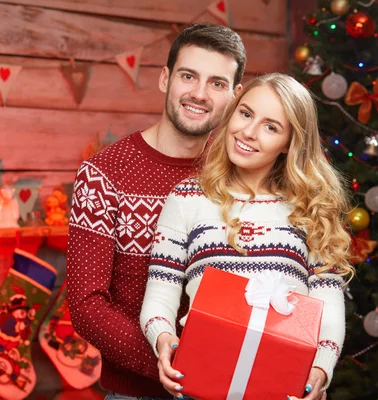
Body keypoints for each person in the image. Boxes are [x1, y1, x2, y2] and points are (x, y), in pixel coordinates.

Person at [140, 73, 355, 400]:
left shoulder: (311, 210)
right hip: (201, 385)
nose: (249, 133)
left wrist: (320, 372)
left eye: (271, 127)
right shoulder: (186, 199)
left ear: (289, 144)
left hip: (282, 389)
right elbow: (160, 291)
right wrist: (164, 339)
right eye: (246, 113)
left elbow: (329, 308)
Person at [66, 23, 246, 399]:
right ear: (165, 79)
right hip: (138, 391)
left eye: (217, 83)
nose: (199, 94)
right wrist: (176, 365)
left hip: (232, 386)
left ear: (235, 95)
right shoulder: (104, 174)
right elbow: (86, 305)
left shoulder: (241, 174)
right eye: (188, 76)